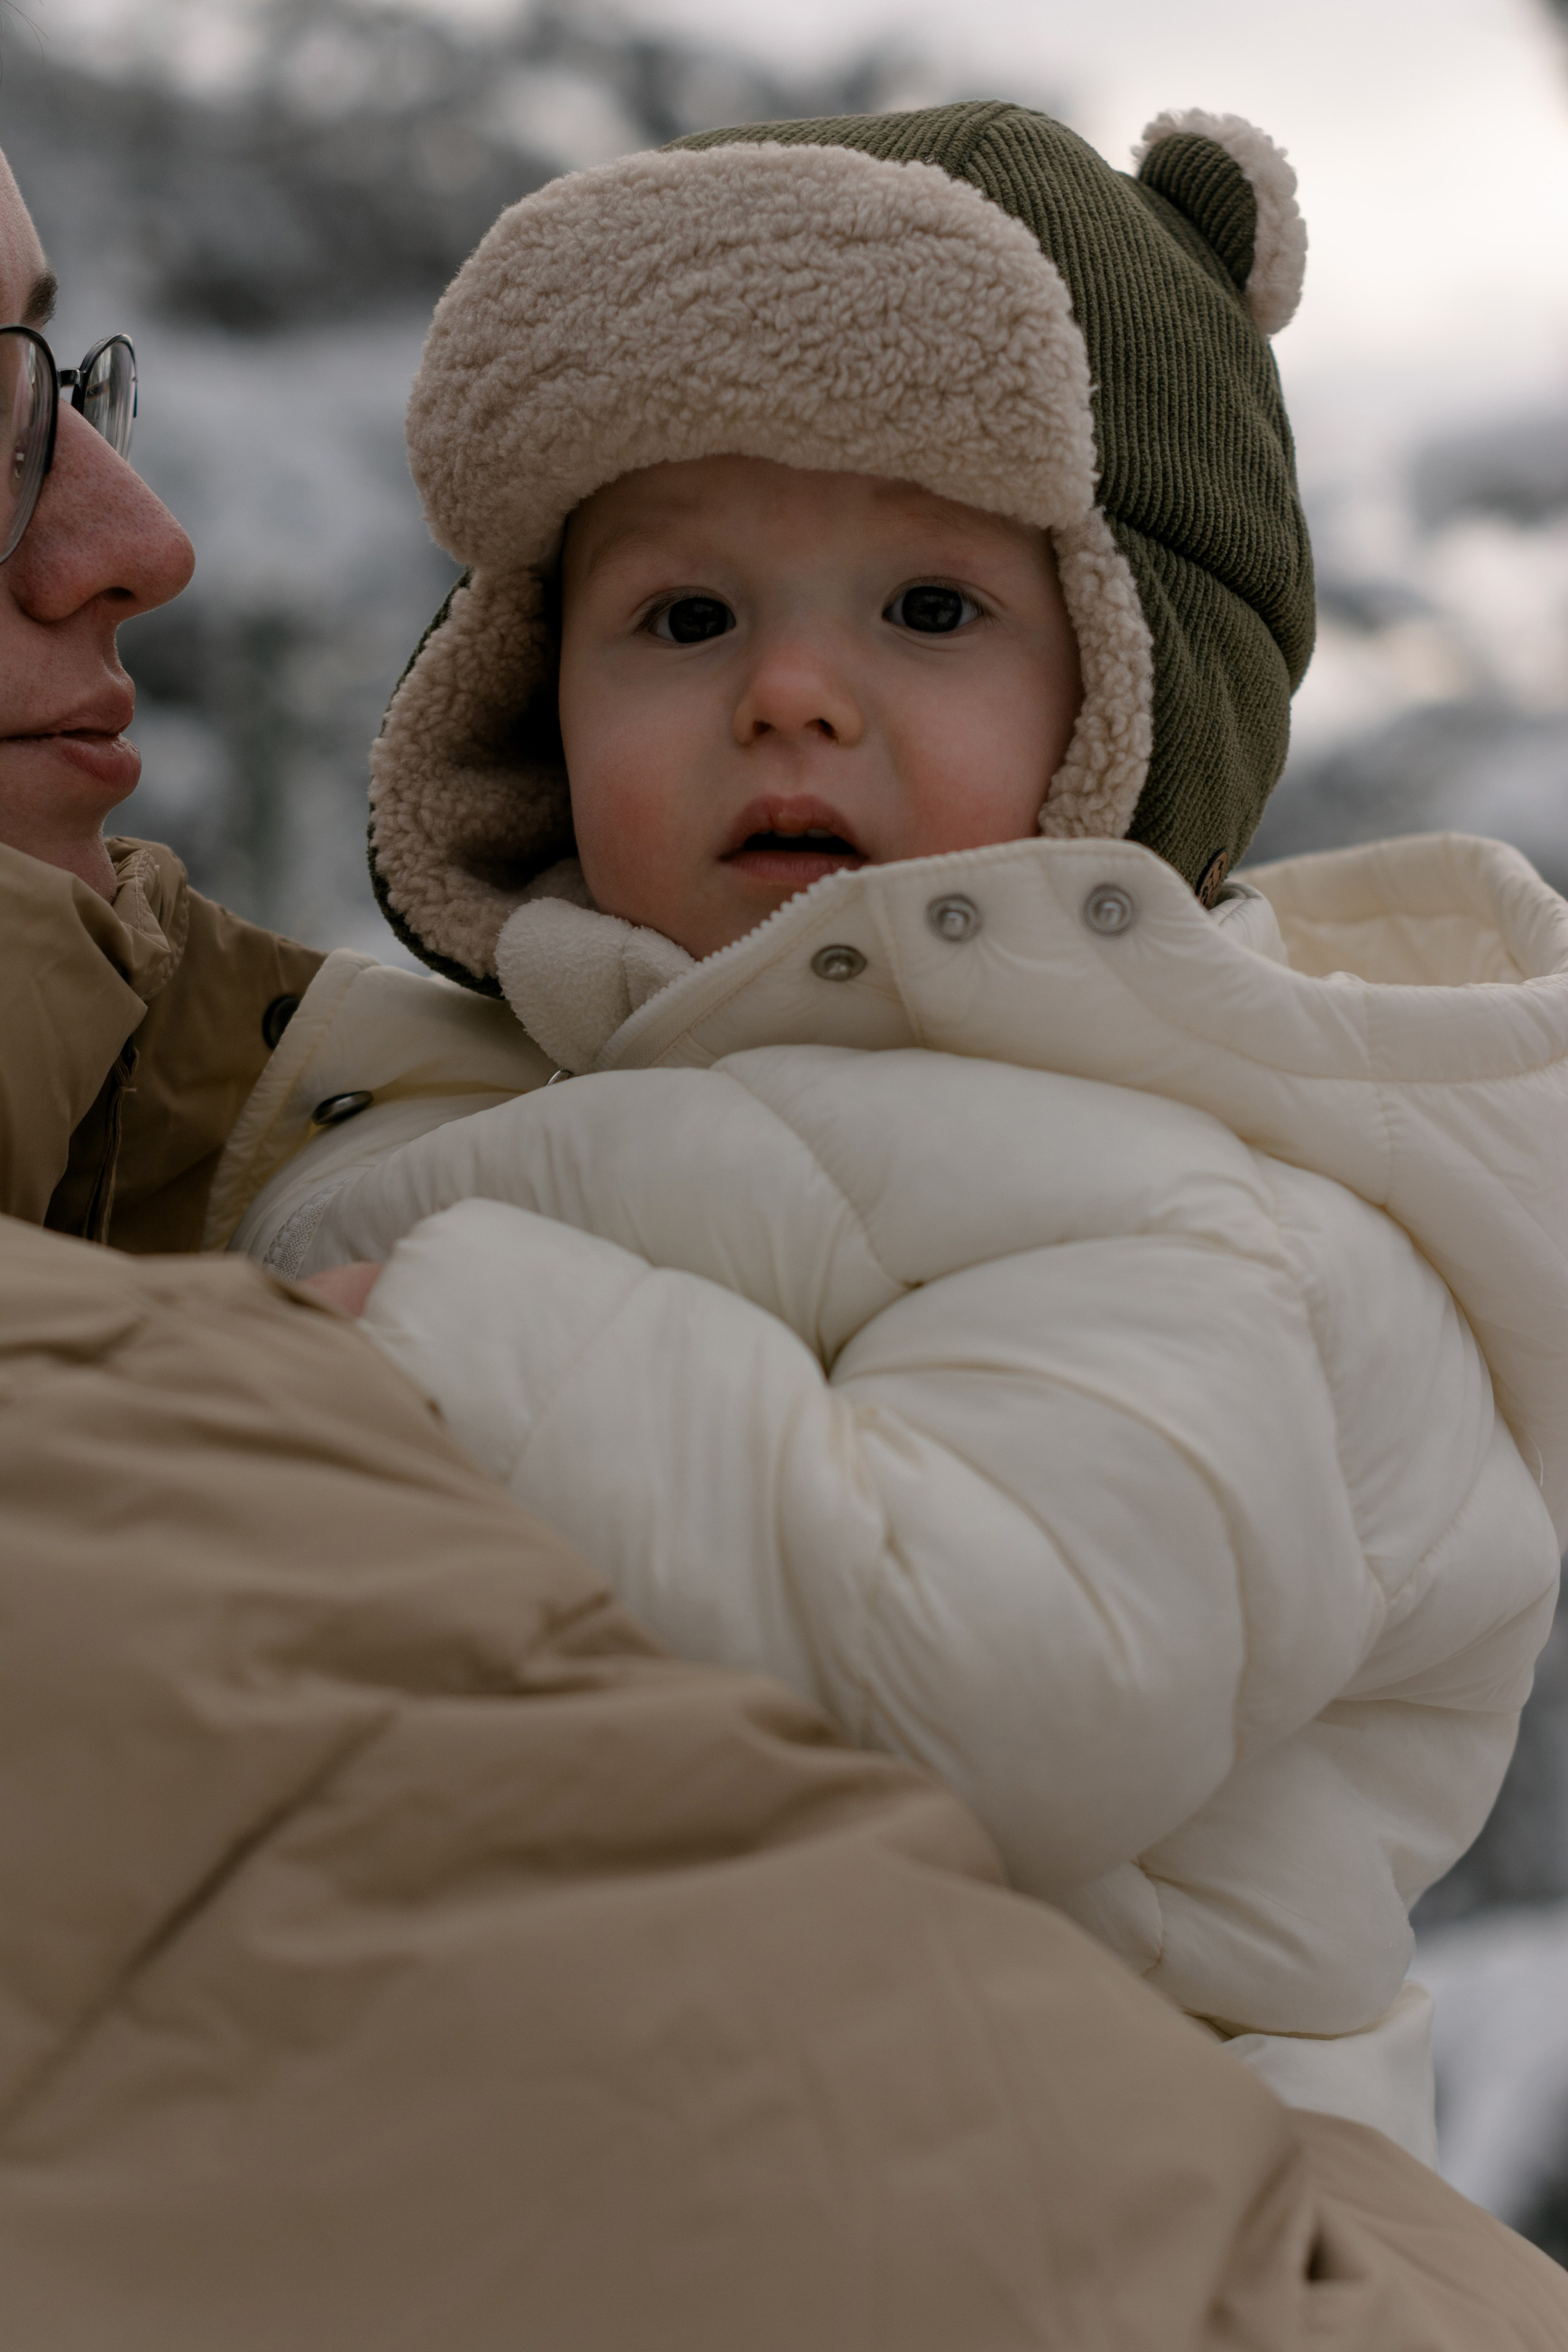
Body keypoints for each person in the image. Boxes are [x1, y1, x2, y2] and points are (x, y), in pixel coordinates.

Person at [6, 107, 1568, 2352]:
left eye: (932, 609)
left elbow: (1006, 1662)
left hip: (1041, 2174)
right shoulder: (489, 1072)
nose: (790, 689)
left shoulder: (1209, 1202)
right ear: (523, 703)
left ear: (1133, 702)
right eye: (683, 612)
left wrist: (423, 1364)